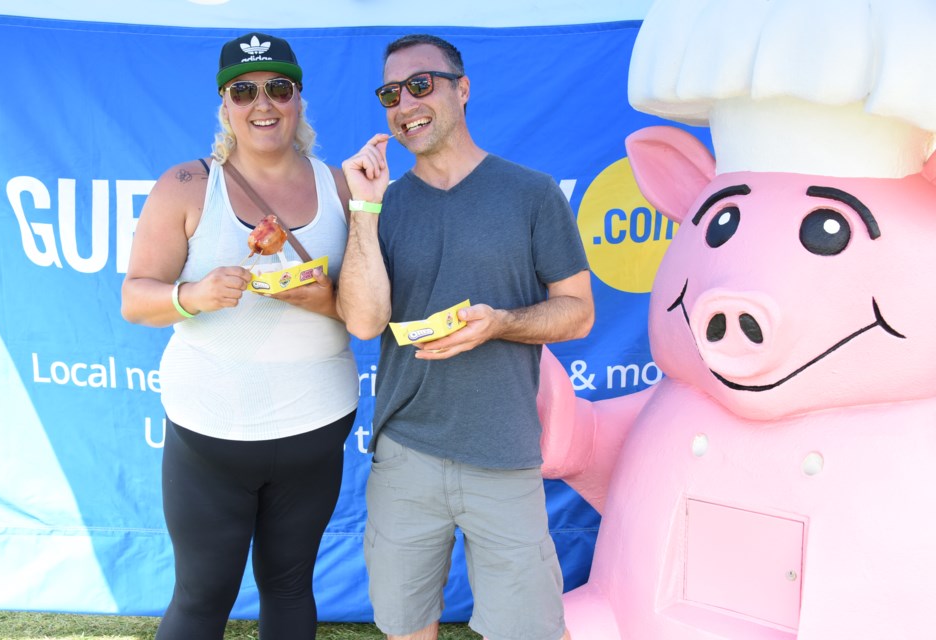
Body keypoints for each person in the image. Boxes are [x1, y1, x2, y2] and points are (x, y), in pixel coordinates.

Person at [338, 33, 594, 640]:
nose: (405, 104)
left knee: (528, 629)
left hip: (504, 455)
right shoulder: (385, 203)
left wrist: (503, 322)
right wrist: (364, 211)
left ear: (463, 89)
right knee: (405, 626)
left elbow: (577, 313)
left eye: (421, 85)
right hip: (405, 454)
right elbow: (365, 322)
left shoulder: (531, 193)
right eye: (390, 94)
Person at [120, 31, 358, 640]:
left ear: (299, 99)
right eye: (244, 90)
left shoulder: (341, 187)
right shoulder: (187, 185)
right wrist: (191, 296)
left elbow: (367, 311)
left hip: (315, 426)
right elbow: (135, 298)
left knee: (288, 585)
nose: (263, 104)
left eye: (279, 88)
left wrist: (322, 297)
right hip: (211, 436)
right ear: (224, 105)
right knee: (202, 598)